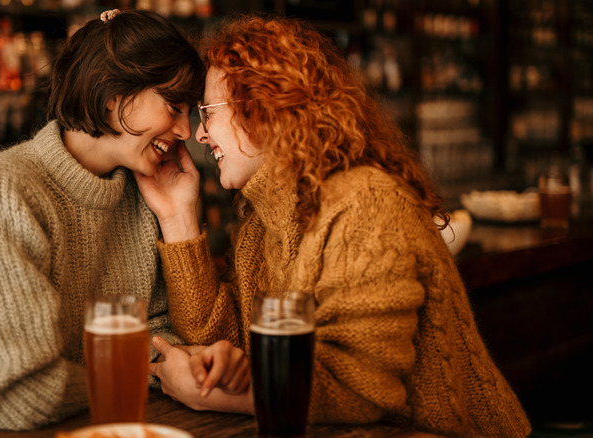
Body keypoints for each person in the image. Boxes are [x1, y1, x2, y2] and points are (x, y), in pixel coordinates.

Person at [135, 15, 532, 437]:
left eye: (208, 112)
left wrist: (209, 395)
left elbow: (355, 389)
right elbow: (228, 348)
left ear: (267, 105)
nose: (199, 135)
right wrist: (177, 216)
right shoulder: (261, 219)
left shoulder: (365, 202)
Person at [0, 9, 204, 438]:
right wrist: (146, 376)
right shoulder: (3, 192)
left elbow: (159, 336)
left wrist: (180, 215)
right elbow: (23, 391)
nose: (185, 131)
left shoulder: (139, 196)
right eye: (174, 106)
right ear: (112, 95)